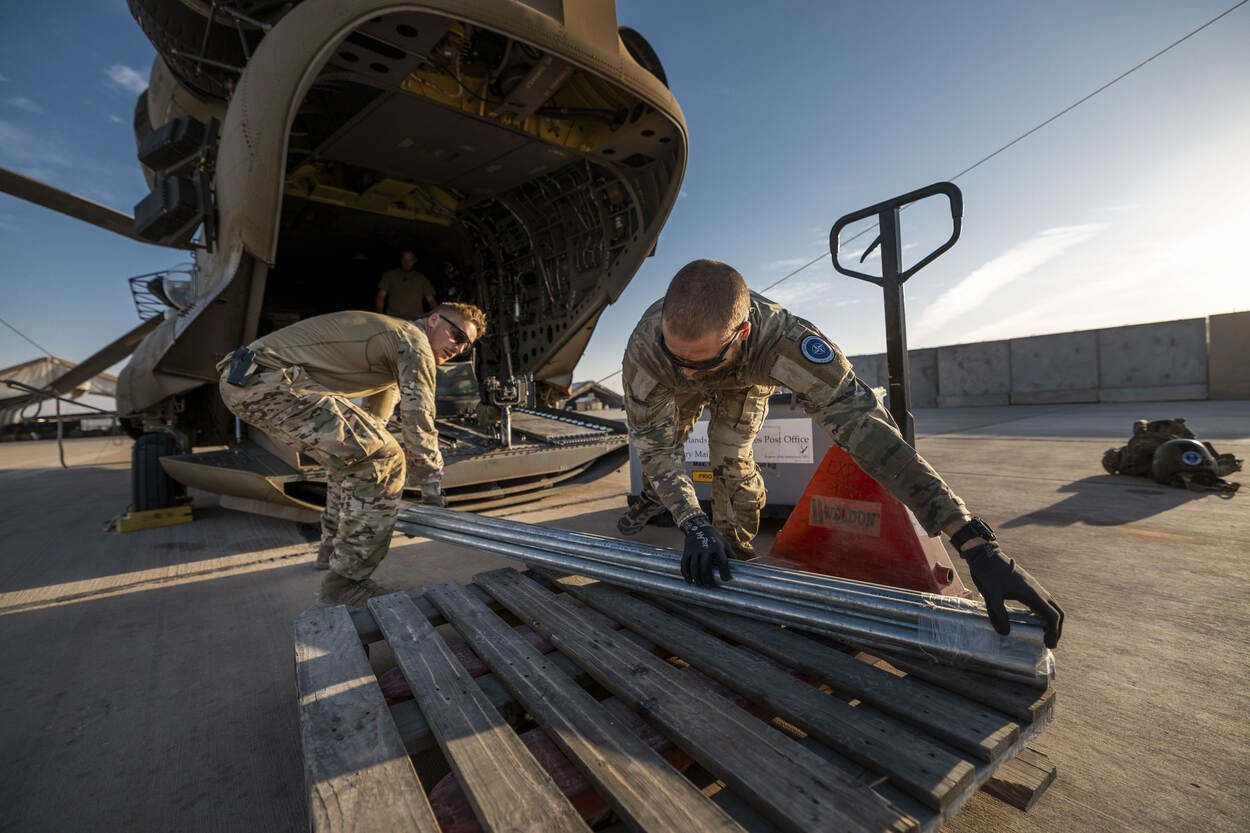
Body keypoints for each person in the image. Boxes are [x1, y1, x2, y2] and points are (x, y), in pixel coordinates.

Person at [620, 259, 1062, 647]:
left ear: (743, 334)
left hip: (745, 381)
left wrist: (973, 542)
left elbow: (867, 431)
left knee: (730, 458)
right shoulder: (649, 352)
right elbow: (655, 447)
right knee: (667, 461)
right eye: (675, 353)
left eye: (698, 360)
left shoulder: (784, 341)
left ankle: (732, 556)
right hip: (671, 395)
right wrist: (692, 522)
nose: (684, 367)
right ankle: (660, 504)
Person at [218, 303, 487, 608]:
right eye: (456, 335)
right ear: (434, 320)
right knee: (385, 459)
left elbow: (376, 422)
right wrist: (431, 491)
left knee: (357, 458)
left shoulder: (391, 347)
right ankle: (345, 586)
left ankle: (331, 553)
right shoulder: (413, 339)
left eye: (466, 346)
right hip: (268, 380)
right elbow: (419, 418)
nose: (458, 347)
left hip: (249, 379)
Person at [375, 250, 437, 319]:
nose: (406, 263)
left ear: (415, 261)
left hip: (415, 321)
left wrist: (435, 318)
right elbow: (380, 297)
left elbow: (431, 301)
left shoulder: (422, 279)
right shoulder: (390, 275)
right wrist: (379, 316)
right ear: (401, 260)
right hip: (393, 319)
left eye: (410, 260)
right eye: (404, 259)